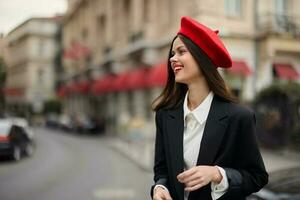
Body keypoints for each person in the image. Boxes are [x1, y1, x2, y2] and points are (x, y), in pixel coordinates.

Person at [150, 16, 268, 200]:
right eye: (172, 53)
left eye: (181, 51)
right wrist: (159, 188)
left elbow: (257, 177)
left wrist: (217, 174)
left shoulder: (239, 117)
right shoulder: (165, 114)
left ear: (202, 57)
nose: (173, 59)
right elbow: (161, 171)